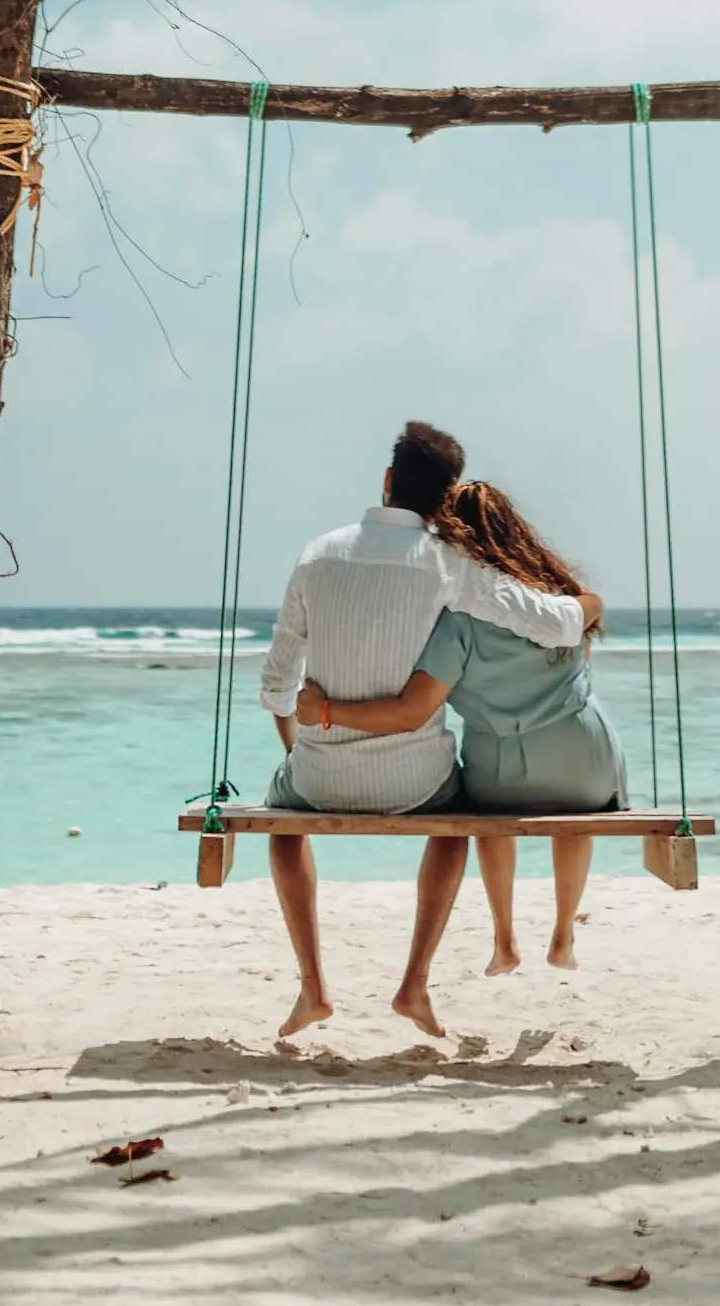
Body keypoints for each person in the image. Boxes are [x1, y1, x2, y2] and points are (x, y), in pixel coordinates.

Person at [256, 423, 601, 1040]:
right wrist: (586, 607)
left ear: (386, 482)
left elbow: (277, 685)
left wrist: (305, 744)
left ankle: (312, 989)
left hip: (317, 776)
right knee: (454, 825)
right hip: (418, 783)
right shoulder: (451, 563)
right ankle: (413, 985)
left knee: (283, 825)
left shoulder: (316, 554)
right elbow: (556, 626)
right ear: (447, 502)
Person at [299, 480, 624, 980]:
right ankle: (562, 935)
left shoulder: (455, 620)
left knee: (487, 814)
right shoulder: (560, 604)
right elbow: (584, 641)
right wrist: (589, 602)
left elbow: (413, 708)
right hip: (587, 759)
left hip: (500, 771)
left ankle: (505, 939)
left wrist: (327, 710)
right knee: (575, 819)